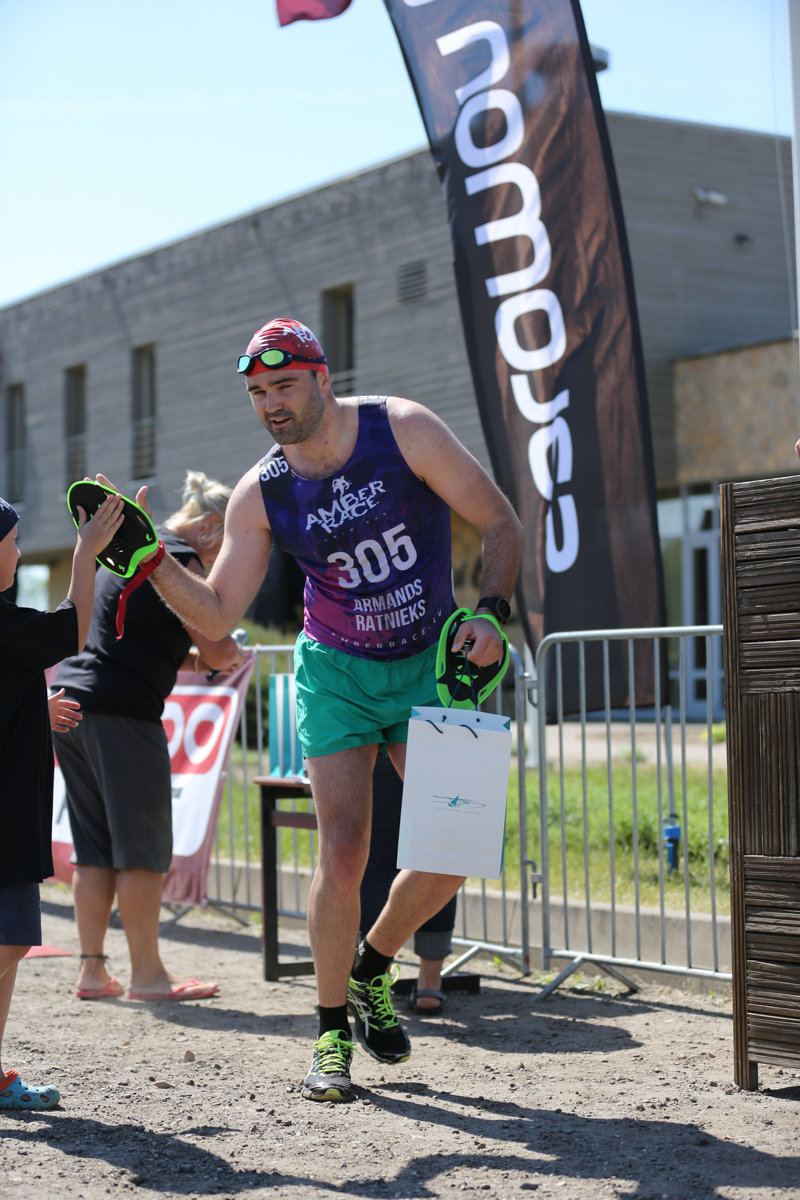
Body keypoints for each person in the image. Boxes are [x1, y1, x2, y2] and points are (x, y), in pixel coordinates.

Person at [99, 318, 522, 1099]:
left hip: (431, 664)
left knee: (461, 841)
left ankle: (372, 964)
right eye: (258, 392)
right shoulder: (261, 492)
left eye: (284, 385)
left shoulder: (404, 430)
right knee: (345, 850)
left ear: (323, 378)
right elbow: (217, 612)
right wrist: (151, 561)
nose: (271, 403)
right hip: (335, 673)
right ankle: (330, 1033)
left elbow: (500, 520)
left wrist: (492, 614)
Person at [53, 471, 246, 1002]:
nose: (229, 560)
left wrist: (196, 660)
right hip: (123, 713)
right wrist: (230, 653)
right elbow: (218, 646)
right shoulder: (175, 560)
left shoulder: (128, 549)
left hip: (74, 702)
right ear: (210, 527)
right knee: (142, 850)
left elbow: (129, 638)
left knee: (94, 848)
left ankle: (93, 971)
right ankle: (147, 976)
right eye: (232, 543)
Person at [0, 490, 125, 1109]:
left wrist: (31, 708)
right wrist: (85, 554)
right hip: (6, 819)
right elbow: (75, 627)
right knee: (10, 941)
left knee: (13, 942)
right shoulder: (7, 626)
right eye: (13, 542)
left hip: (12, 815)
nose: (20, 553)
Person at [361, 755, 457, 1014]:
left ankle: (373, 979)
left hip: (374, 734)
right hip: (443, 734)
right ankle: (430, 983)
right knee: (440, 852)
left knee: (379, 852)